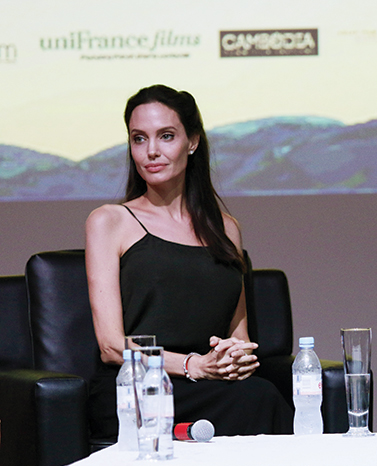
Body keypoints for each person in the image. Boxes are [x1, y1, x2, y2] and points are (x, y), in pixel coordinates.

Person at [86, 84, 293, 440]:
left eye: (166, 136)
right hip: (139, 388)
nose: (151, 151)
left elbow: (238, 335)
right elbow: (110, 345)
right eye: (139, 139)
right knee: (260, 399)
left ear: (192, 142)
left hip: (211, 384)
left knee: (259, 395)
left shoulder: (226, 229)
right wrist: (192, 365)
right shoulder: (110, 221)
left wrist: (235, 359)